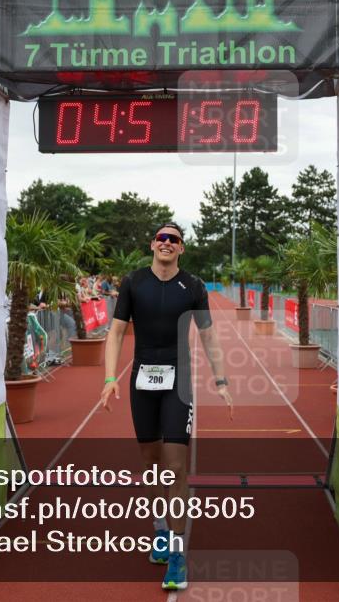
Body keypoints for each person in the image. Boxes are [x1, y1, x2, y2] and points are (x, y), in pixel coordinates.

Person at [99, 222, 232, 591]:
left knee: (175, 466)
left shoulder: (193, 286)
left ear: (182, 249)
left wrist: (221, 381)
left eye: (174, 239)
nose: (167, 243)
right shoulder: (133, 282)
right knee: (151, 463)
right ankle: (160, 529)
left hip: (179, 382)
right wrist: (110, 379)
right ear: (152, 244)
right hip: (142, 381)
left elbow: (207, 333)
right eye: (161, 238)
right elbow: (116, 332)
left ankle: (176, 553)